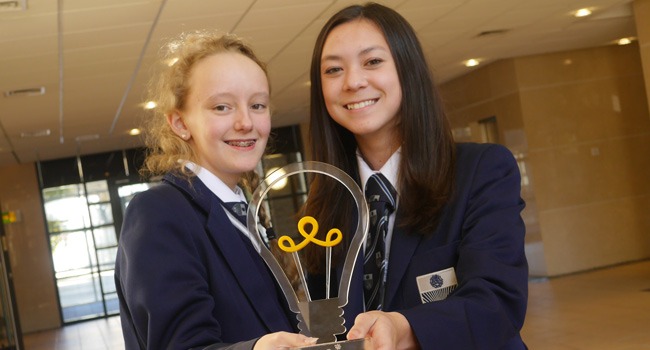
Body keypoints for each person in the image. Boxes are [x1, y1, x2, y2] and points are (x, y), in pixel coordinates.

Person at [303, 3, 528, 349]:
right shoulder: (325, 202)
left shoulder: (480, 171)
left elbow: (497, 303)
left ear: (409, 68)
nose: (353, 81)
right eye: (333, 70)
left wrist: (403, 327)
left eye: (373, 61)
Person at [114, 30, 317, 350]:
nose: (245, 122)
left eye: (258, 105)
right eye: (222, 107)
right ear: (180, 123)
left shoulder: (244, 209)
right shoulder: (158, 213)